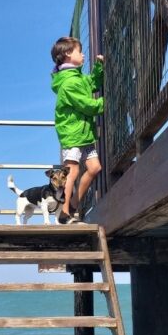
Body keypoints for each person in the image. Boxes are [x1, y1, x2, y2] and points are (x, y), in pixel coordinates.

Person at [50, 36, 104, 224]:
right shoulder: (69, 83)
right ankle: (64, 213)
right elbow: (86, 105)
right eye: (79, 52)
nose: (83, 55)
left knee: (94, 168)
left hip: (84, 134)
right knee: (72, 171)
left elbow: (93, 84)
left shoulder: (78, 78)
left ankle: (72, 204)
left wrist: (98, 68)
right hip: (72, 134)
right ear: (67, 54)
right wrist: (105, 102)